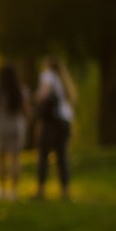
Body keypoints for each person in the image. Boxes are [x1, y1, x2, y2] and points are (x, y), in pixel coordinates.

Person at [33, 55, 75, 201]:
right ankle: (64, 191)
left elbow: (43, 93)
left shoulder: (48, 75)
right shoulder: (64, 79)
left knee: (43, 155)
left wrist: (35, 98)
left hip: (51, 122)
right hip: (65, 121)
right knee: (62, 156)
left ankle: (40, 190)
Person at [0, 64, 29, 200]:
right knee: (16, 158)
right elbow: (27, 111)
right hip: (16, 126)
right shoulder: (20, 90)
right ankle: (14, 191)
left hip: (1, 126)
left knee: (1, 159)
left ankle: (2, 189)